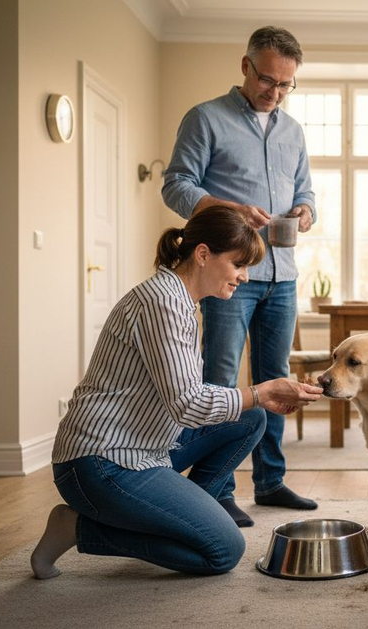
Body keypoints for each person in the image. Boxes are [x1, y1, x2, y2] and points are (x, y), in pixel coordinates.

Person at [30, 207, 323, 579]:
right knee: (224, 550)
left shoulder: (181, 300)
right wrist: (262, 390)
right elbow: (188, 404)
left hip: (145, 445)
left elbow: (189, 396)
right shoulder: (163, 302)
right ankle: (75, 528)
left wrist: (257, 400)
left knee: (251, 417)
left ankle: (182, 517)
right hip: (100, 462)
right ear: (203, 255)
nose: (245, 277)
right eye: (238, 264)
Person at [161, 25, 319, 513]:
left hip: (283, 276)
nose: (276, 92)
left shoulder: (293, 131)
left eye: (286, 84)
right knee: (222, 379)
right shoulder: (206, 118)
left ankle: (271, 483)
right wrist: (228, 207)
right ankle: (218, 491)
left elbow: (306, 193)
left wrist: (307, 213)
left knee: (279, 381)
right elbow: (175, 186)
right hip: (230, 275)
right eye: (268, 80)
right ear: (246, 66)